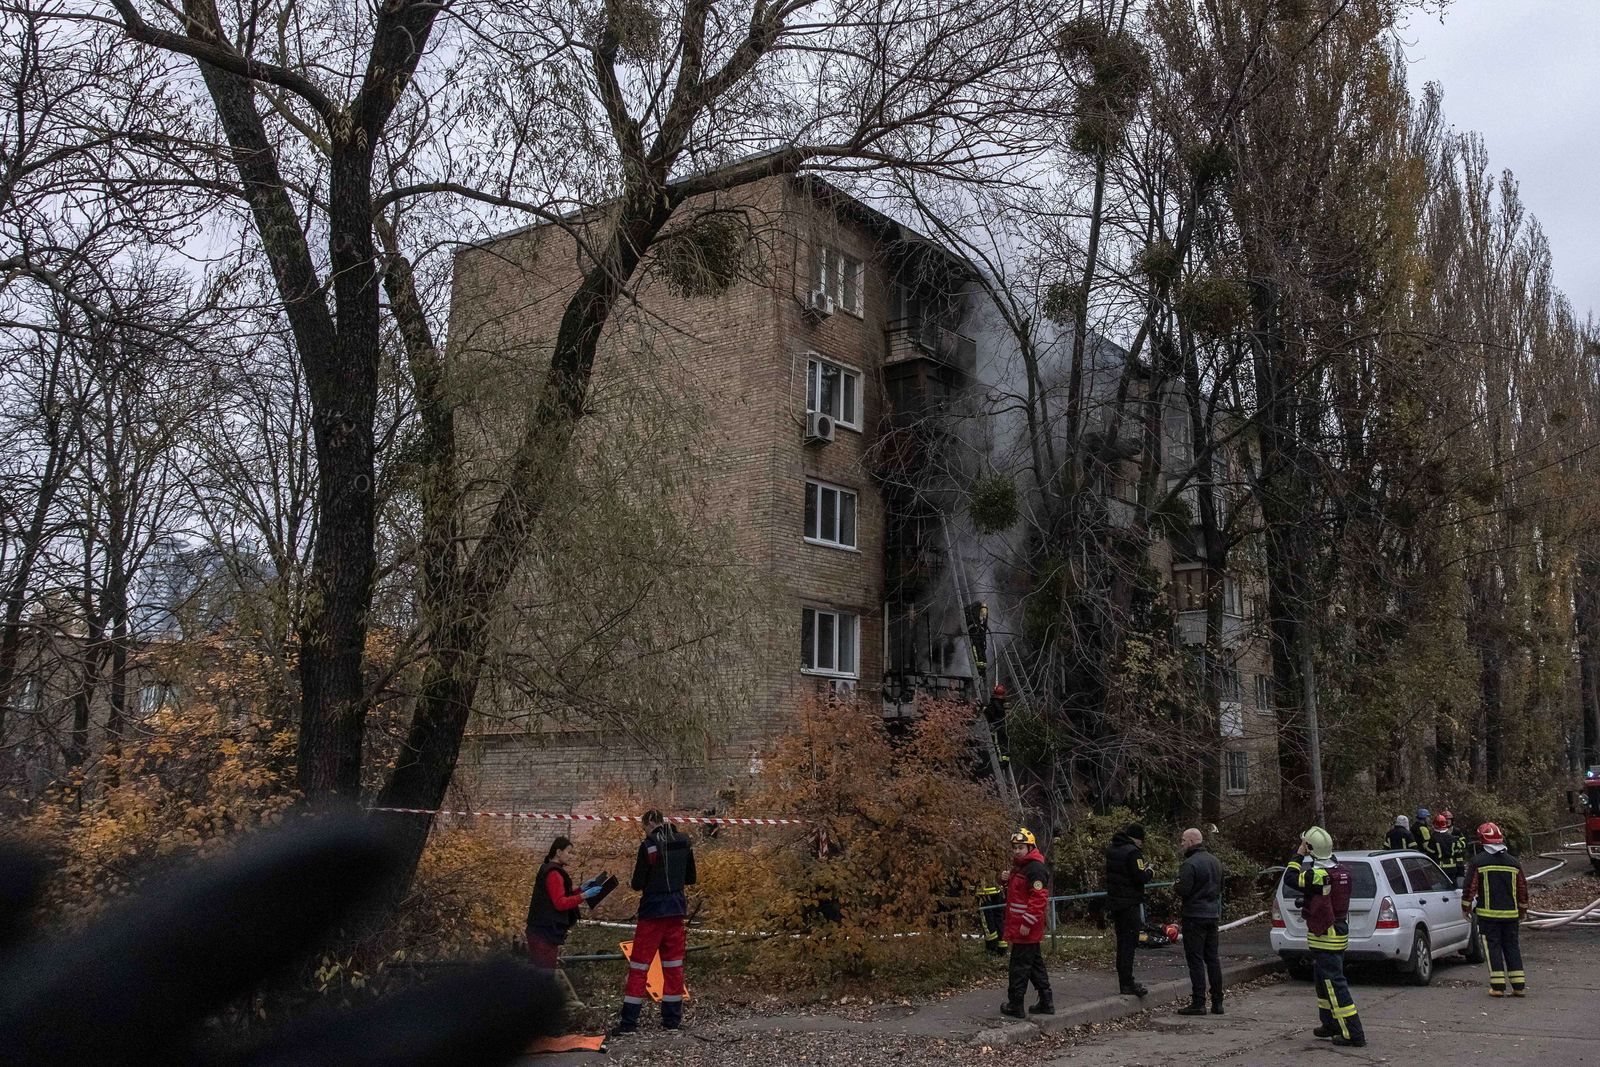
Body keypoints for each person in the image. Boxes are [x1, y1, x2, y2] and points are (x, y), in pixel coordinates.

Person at [615, 810, 697, 1034]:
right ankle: (672, 1021)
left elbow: (637, 883)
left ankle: (629, 1023)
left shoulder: (649, 846)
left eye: (645, 827)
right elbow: (691, 877)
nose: (646, 832)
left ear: (650, 823)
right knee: (673, 966)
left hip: (652, 912)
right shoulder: (684, 842)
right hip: (676, 910)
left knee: (639, 967)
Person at [1287, 826, 1365, 1048]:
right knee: (1323, 982)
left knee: (1333, 985)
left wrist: (1299, 854)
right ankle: (1330, 1024)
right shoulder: (1341, 871)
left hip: (1326, 937)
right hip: (1335, 933)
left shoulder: (1318, 876)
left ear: (1311, 849)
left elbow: (1290, 878)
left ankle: (1353, 1033)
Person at [525, 836, 603, 1012]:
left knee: (543, 972)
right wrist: (584, 896)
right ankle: (540, 1012)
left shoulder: (550, 870)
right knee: (545, 974)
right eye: (569, 852)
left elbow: (562, 896)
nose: (571, 856)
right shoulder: (554, 873)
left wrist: (581, 889)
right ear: (558, 852)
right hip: (544, 932)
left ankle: (540, 1010)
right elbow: (560, 903)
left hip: (542, 930)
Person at [1462, 821, 1529, 997]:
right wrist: (1523, 909)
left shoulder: (1478, 862)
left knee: (1493, 947)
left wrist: (1465, 906)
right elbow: (1522, 888)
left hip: (1488, 915)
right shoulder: (1514, 863)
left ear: (1482, 840)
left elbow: (1470, 887)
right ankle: (1519, 986)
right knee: (1512, 947)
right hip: (1511, 915)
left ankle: (1498, 987)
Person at [999, 828, 1053, 1018]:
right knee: (1035, 966)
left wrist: (1027, 922)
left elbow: (1038, 899)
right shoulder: (1021, 867)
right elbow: (1018, 894)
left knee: (1019, 968)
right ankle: (1046, 1001)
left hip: (1025, 927)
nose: (1017, 851)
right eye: (1014, 847)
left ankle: (1016, 1005)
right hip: (1021, 926)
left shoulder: (1035, 869)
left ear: (1030, 847)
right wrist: (1005, 881)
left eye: (1020, 847)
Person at [1174, 828, 1225, 1016]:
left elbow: (1183, 890)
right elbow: (1221, 887)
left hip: (1194, 915)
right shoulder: (1215, 862)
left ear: (1191, 841)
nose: (1181, 844)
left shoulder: (1189, 864)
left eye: (1183, 840)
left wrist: (1176, 886)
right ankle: (1217, 1001)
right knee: (1212, 959)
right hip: (1212, 914)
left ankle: (1198, 1001)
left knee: (1195, 959)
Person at [1104, 822, 1154, 997]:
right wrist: (1150, 871)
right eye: (1141, 841)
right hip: (1130, 903)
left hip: (1116, 903)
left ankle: (1123, 980)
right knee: (1129, 944)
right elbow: (1139, 877)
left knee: (1121, 943)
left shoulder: (1112, 849)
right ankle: (1127, 982)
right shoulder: (1133, 852)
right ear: (1137, 839)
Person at [1441, 810, 1468, 885]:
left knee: (1460, 882)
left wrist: (1457, 844)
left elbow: (1464, 842)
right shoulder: (1441, 832)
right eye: (1446, 820)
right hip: (1447, 864)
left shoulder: (1457, 831)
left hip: (1459, 862)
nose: (1447, 821)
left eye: (1449, 819)